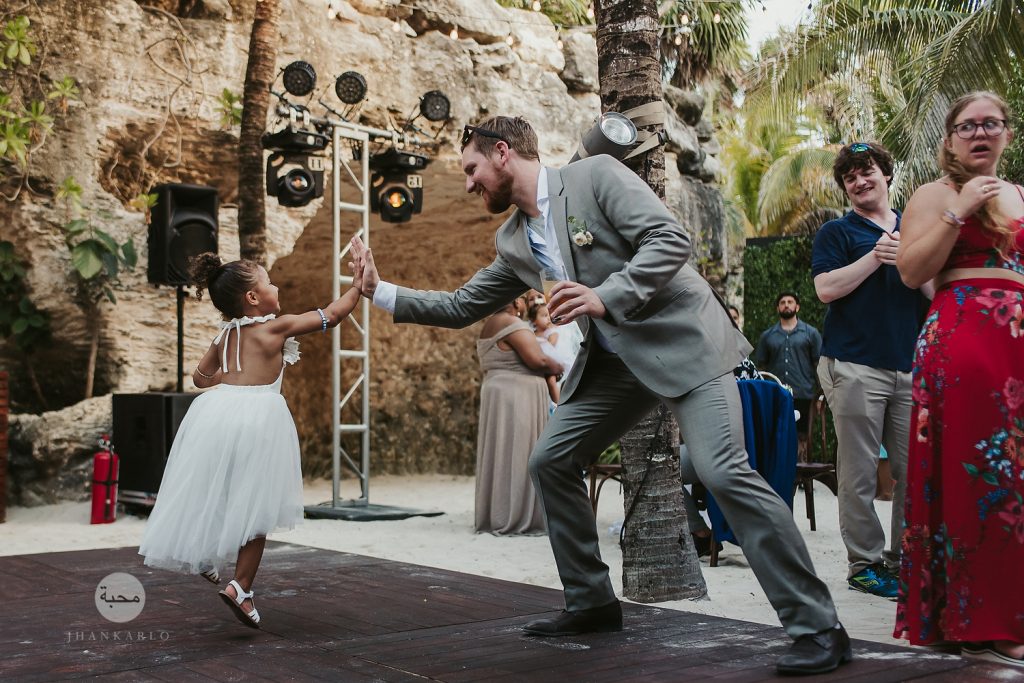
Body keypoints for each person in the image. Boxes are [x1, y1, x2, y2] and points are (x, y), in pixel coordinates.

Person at [352, 115, 849, 675]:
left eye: (471, 170)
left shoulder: (594, 177)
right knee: (551, 459)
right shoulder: (513, 239)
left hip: (685, 344)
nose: (469, 184)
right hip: (616, 365)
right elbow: (464, 304)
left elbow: (669, 240)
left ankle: (818, 625)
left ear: (500, 153)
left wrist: (604, 296)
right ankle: (591, 601)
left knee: (722, 470)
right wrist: (380, 291)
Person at [138, 250, 363, 629]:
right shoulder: (275, 327)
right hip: (259, 416)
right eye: (268, 281)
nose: (276, 286)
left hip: (217, 413)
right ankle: (240, 588)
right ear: (254, 298)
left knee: (221, 492)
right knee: (256, 505)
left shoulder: (225, 335)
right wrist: (357, 285)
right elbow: (333, 315)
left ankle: (206, 557)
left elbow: (199, 378)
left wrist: (230, 384)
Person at [894, 91, 1024, 666]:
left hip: (1017, 343)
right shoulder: (934, 193)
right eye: (967, 125)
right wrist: (961, 209)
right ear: (949, 139)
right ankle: (983, 620)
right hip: (962, 340)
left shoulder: (1021, 196)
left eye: (991, 124)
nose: (980, 133)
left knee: (1016, 478)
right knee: (977, 475)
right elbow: (912, 271)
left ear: (1007, 135)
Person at [811, 141, 931, 601]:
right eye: (850, 177)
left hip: (909, 366)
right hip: (854, 364)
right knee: (858, 472)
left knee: (913, 470)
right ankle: (864, 564)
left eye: (868, 172)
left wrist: (910, 259)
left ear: (886, 174)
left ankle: (904, 560)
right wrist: (875, 257)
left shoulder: (915, 227)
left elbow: (933, 288)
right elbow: (825, 289)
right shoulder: (836, 233)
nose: (860, 181)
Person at [475, 297, 561, 534]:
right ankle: (516, 516)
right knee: (520, 451)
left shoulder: (489, 323)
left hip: (498, 391)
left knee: (502, 451)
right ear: (516, 302)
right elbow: (538, 359)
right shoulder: (512, 323)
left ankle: (498, 513)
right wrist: (558, 367)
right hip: (517, 395)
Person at [752, 291, 822, 452]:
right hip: (775, 395)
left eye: (790, 302)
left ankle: (800, 474)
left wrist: (821, 396)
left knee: (803, 438)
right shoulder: (767, 336)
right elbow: (760, 368)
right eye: (782, 302)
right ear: (778, 308)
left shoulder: (811, 333)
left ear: (797, 307)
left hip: (804, 394)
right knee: (776, 436)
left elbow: (819, 365)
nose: (786, 305)